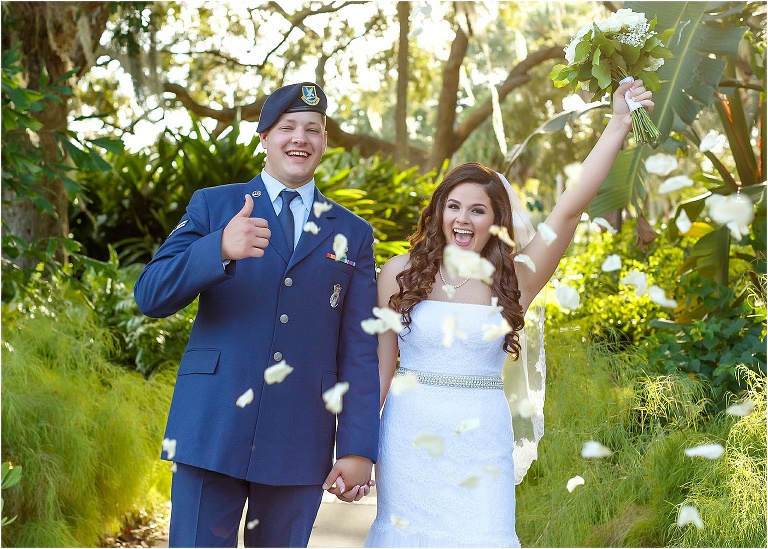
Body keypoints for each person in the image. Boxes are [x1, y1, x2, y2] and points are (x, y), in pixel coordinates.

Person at [365, 79, 654, 547]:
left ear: (494, 221)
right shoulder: (398, 272)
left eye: (477, 210)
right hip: (407, 435)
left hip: (481, 438)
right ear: (438, 212)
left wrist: (619, 121)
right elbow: (380, 367)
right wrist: (355, 447)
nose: (463, 219)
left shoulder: (515, 280)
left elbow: (568, 210)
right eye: (453, 206)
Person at [134, 82, 380, 548]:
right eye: (287, 127)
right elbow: (151, 294)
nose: (300, 138)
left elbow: (361, 351)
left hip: (300, 433)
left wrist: (356, 448)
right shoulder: (214, 205)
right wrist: (219, 249)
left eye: (313, 129)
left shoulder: (353, 233)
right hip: (212, 425)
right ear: (264, 137)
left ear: (325, 142)